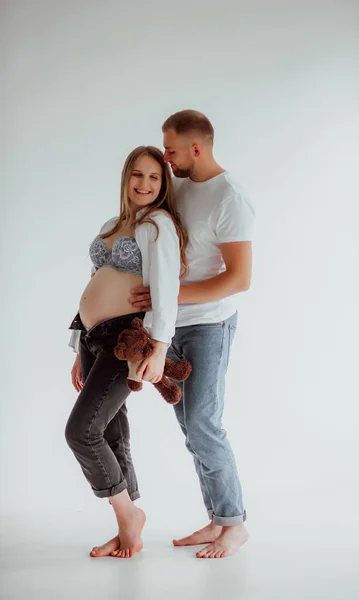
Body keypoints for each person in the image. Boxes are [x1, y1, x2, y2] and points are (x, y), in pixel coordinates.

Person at [130, 110, 255, 559]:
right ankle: (219, 518)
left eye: (170, 150)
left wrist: (173, 294)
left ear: (196, 149)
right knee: (190, 427)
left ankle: (234, 524)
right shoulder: (178, 185)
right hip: (170, 325)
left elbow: (239, 279)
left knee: (204, 424)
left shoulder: (230, 197)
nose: (166, 158)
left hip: (209, 324)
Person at [66, 146, 188, 559]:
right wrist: (76, 344)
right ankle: (126, 524)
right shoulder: (112, 223)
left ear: (163, 183)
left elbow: (166, 289)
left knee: (82, 431)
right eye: (138, 175)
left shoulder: (158, 225)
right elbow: (96, 279)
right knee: (112, 432)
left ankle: (129, 516)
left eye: (155, 177)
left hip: (126, 339)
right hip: (91, 336)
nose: (145, 184)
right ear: (126, 177)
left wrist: (159, 347)